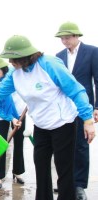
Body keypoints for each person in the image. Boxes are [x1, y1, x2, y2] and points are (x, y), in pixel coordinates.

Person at [0, 35, 95, 200]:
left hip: (62, 123)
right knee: (41, 167)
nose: (11, 62)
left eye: (14, 58)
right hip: (41, 124)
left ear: (25, 56)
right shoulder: (15, 73)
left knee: (64, 170)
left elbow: (76, 90)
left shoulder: (49, 64)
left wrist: (87, 119)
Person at [54, 21, 98, 199]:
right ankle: (65, 182)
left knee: (81, 145)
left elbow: (97, 80)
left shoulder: (93, 52)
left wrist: (96, 106)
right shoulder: (58, 57)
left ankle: (79, 185)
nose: (64, 42)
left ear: (76, 36)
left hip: (83, 106)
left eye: (67, 38)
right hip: (63, 108)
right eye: (62, 39)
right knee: (63, 145)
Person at [0, 56, 26, 189]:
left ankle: (17, 172)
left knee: (19, 142)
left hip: (19, 112)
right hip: (1, 116)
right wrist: (10, 118)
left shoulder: (15, 73)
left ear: (3, 68)